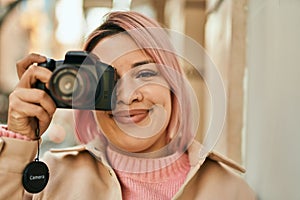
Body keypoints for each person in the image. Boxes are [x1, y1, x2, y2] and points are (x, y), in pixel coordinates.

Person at [0, 11, 256, 199]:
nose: (128, 96)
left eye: (145, 74)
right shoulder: (52, 179)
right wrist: (18, 142)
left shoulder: (231, 190)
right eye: (107, 81)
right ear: (85, 96)